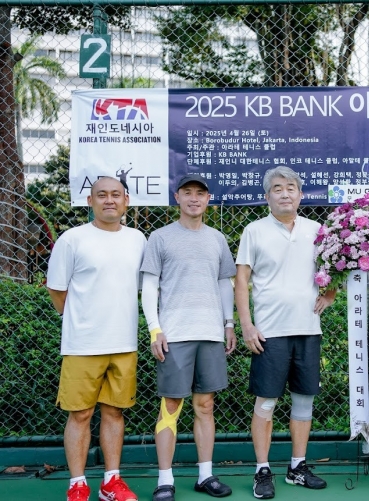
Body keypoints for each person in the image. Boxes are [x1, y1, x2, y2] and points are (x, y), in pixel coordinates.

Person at [235, 166, 337, 500]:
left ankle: (297, 467)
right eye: (277, 188)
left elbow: (335, 267)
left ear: (300, 194)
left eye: (291, 187)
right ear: (267, 196)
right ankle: (262, 470)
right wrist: (247, 325)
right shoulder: (254, 230)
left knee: (304, 401)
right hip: (269, 332)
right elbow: (241, 281)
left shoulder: (317, 230)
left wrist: (330, 294)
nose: (285, 193)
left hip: (308, 329)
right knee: (266, 403)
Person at [47, 176, 146, 501]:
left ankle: (110, 483)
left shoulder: (137, 239)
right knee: (80, 414)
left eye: (116, 194)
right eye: (101, 194)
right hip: (83, 345)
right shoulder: (72, 239)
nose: (109, 200)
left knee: (115, 413)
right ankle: (77, 484)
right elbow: (57, 291)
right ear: (90, 201)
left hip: (124, 344)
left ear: (126, 201)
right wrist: (82, 321)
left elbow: (143, 288)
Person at [140, 174, 236, 501]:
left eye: (200, 193)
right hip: (174, 334)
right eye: (188, 192)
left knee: (205, 405)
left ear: (208, 199)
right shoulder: (160, 237)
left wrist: (229, 323)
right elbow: (149, 286)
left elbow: (224, 283)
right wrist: (154, 328)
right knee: (171, 405)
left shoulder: (217, 239)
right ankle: (164, 480)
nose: (194, 198)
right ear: (177, 197)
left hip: (210, 333)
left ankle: (205, 476)